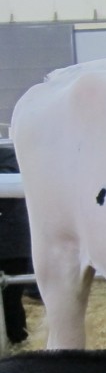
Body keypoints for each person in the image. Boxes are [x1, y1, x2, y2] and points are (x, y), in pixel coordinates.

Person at [0, 145, 31, 344]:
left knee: (10, 298)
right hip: (10, 242)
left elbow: (8, 191)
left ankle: (17, 340)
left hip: (10, 245)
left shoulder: (8, 156)